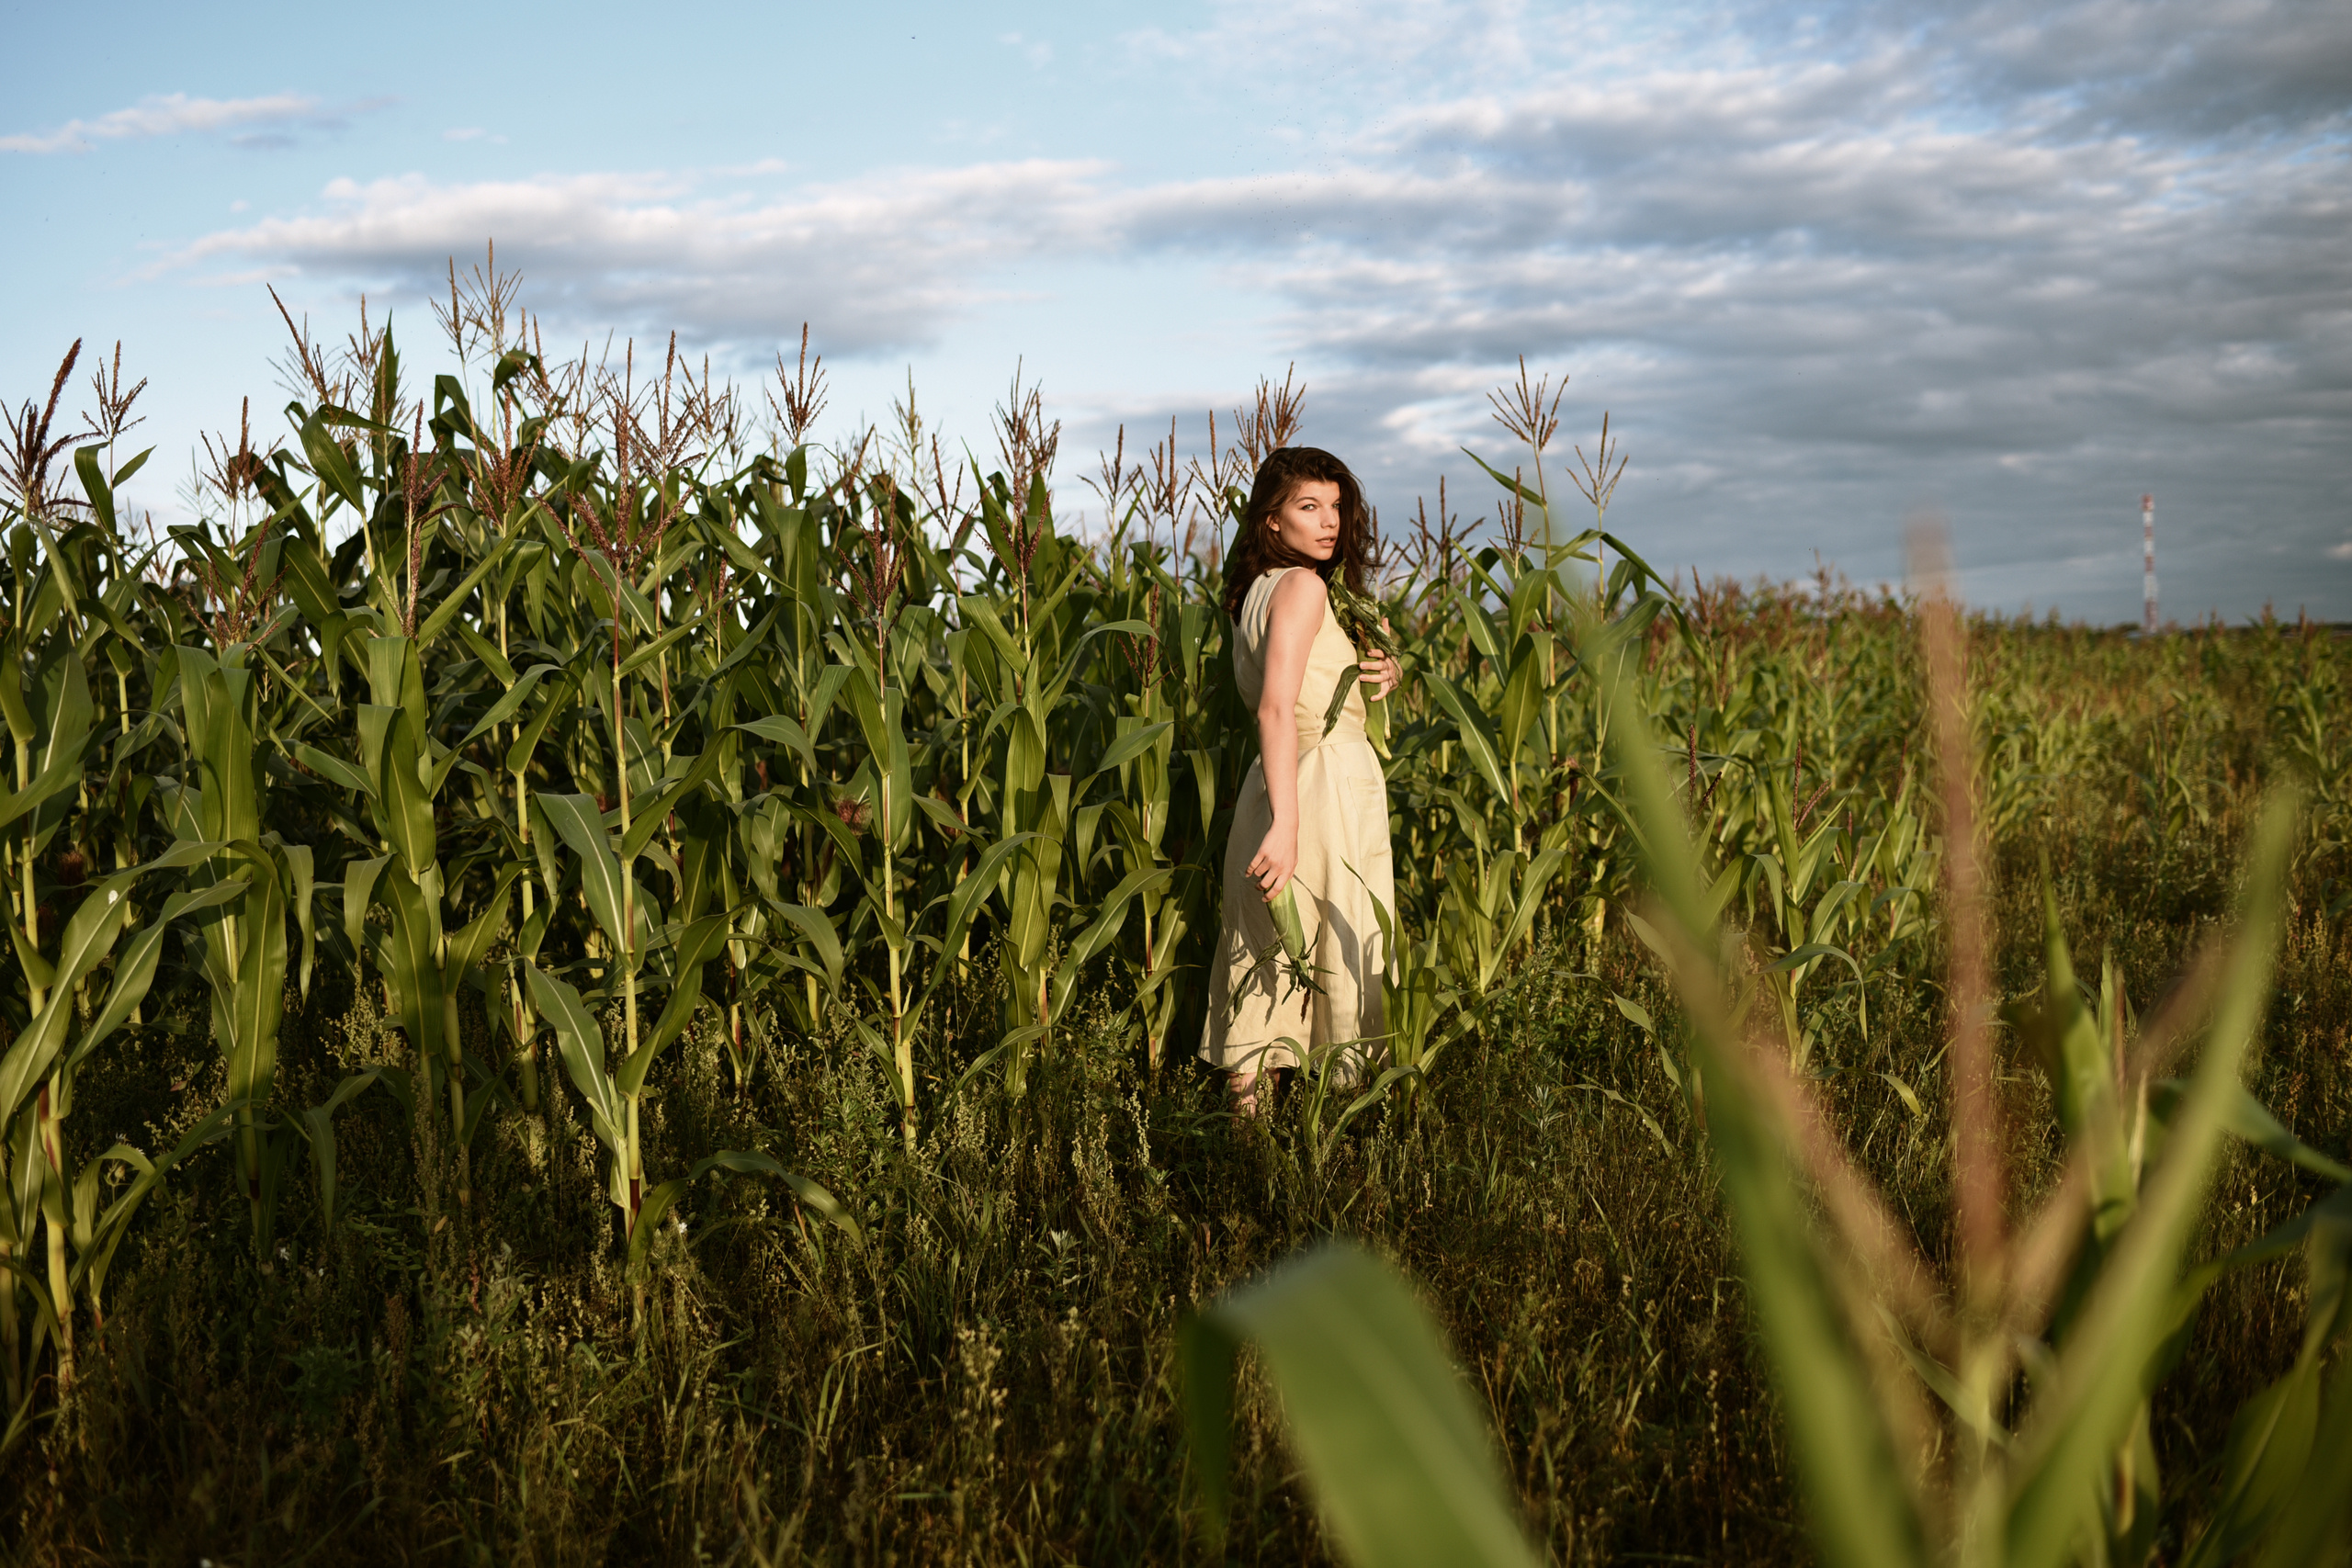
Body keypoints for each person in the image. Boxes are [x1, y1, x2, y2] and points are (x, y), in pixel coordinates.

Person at [1199, 446, 1403, 1115]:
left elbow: (1301, 692)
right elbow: (1278, 706)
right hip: (1320, 793)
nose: (1330, 521)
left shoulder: (1252, 596)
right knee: (1335, 955)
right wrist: (1289, 828)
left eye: (1336, 506)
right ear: (1270, 522)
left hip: (1275, 781)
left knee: (1264, 961)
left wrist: (1382, 676)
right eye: (1308, 507)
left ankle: (1248, 1155)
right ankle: (1332, 1154)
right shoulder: (1305, 587)